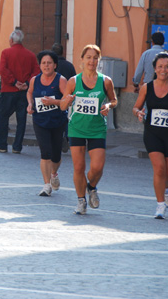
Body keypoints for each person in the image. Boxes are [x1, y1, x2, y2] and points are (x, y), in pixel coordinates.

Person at [60, 44, 118, 215]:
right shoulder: (73, 81)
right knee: (78, 167)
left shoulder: (105, 81)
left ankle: (91, 187)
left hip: (97, 129)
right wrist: (68, 100)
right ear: (82, 60)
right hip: (77, 128)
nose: (91, 61)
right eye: (88, 57)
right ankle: (81, 200)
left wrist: (108, 105)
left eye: (95, 58)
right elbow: (63, 104)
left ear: (98, 61)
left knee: (97, 167)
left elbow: (114, 100)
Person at [132, 52, 168, 219]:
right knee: (159, 169)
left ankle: (164, 189)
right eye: (160, 67)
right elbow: (135, 107)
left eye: (167, 67)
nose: (163, 70)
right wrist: (139, 113)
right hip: (152, 133)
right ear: (155, 69)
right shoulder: (147, 87)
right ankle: (159, 205)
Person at [27, 50, 68, 196]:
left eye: (49, 63)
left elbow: (67, 100)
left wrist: (53, 102)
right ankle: (46, 185)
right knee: (45, 153)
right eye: (43, 63)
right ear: (40, 65)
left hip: (57, 121)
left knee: (56, 155)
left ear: (55, 65)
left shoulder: (61, 80)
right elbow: (29, 92)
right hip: (40, 121)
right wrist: (30, 104)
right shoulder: (35, 80)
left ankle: (54, 174)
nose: (46, 65)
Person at [0, 28, 40, 154]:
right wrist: (26, 83)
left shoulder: (6, 53)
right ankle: (17, 146)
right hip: (24, 91)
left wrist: (14, 82)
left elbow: (3, 70)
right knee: (22, 118)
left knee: (3, 117)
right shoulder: (30, 55)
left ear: (11, 40)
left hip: (8, 89)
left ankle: (2, 145)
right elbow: (36, 72)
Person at [51, 42, 76, 153]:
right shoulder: (69, 65)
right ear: (63, 52)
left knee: (54, 117)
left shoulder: (51, 66)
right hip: (67, 96)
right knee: (65, 118)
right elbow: (74, 80)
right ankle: (67, 137)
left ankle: (57, 138)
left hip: (54, 95)